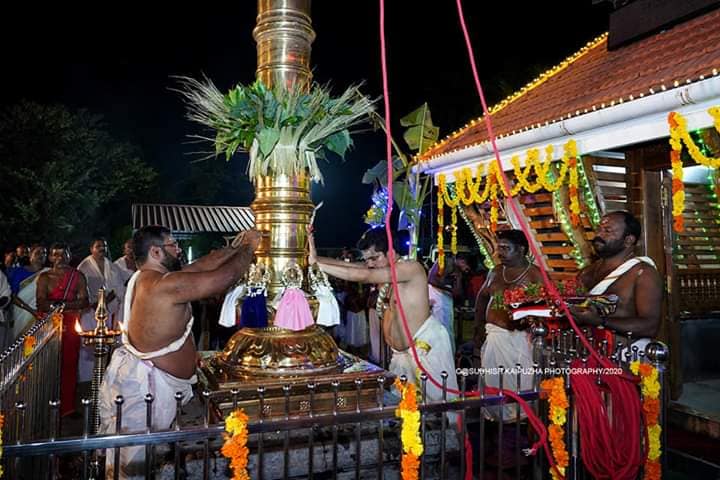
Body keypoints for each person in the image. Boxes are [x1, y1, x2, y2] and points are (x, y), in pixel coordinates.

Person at [99, 225, 260, 478]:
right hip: (145, 391)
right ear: (155, 251)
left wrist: (235, 247)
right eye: (173, 245)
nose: (179, 249)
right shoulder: (163, 284)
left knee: (142, 462)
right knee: (130, 469)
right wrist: (250, 248)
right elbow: (220, 279)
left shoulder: (151, 277)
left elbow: (204, 265)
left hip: (153, 386)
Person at [309, 227, 458, 404]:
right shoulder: (387, 272)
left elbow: (365, 275)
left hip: (424, 353)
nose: (370, 263)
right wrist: (313, 256)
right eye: (367, 259)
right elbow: (352, 266)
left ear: (391, 252)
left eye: (374, 258)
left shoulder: (411, 268)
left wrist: (315, 264)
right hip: (401, 358)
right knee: (406, 416)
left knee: (435, 417)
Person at [569, 211, 662, 356]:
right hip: (586, 354)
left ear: (628, 240)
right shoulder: (585, 273)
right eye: (599, 229)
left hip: (626, 357)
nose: (599, 235)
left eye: (607, 231)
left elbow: (650, 326)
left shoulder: (642, 273)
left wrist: (600, 321)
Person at [474, 229, 543, 421]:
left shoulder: (534, 274)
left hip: (517, 340)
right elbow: (481, 300)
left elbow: (543, 307)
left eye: (505, 248)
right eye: (499, 248)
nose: (499, 253)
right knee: (493, 383)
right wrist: (478, 328)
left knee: (518, 385)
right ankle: (495, 421)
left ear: (521, 250)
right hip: (493, 336)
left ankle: (519, 424)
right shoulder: (496, 271)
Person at [36, 243, 89, 417]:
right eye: (55, 255)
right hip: (49, 324)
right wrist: (60, 306)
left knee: (69, 364)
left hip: (70, 324)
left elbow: (84, 301)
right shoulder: (44, 277)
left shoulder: (78, 276)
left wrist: (62, 305)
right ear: (50, 257)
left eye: (62, 254)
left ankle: (67, 407)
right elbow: (41, 302)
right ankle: (43, 405)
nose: (59, 258)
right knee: (46, 365)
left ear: (69, 256)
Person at [78, 237, 128, 383]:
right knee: (88, 344)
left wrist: (106, 300)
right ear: (91, 249)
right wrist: (95, 303)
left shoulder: (112, 266)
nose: (102, 249)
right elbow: (81, 289)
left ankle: (105, 375)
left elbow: (118, 287)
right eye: (98, 246)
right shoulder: (83, 266)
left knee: (107, 342)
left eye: (104, 246)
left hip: (107, 310)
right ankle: (87, 379)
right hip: (90, 311)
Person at [9, 245, 49, 341]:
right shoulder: (18, 272)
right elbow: (12, 296)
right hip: (22, 314)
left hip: (43, 316)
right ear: (30, 254)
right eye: (38, 253)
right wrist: (32, 311)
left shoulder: (48, 273)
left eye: (44, 253)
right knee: (22, 348)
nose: (41, 255)